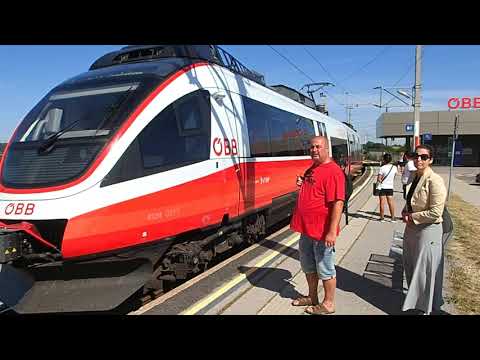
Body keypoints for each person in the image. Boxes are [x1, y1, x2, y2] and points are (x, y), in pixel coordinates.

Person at [290, 136, 345, 315]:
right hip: (307, 229)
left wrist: (331, 232)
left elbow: (338, 202)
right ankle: (312, 297)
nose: (314, 150)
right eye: (312, 147)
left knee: (325, 267)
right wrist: (302, 181)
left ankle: (328, 303)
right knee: (308, 265)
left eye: (318, 147)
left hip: (322, 231)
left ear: (326, 149)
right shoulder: (314, 167)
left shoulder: (333, 171)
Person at [401, 144, 447, 315]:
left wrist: (412, 216)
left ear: (431, 160)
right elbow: (411, 200)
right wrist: (405, 211)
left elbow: (436, 212)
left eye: (424, 157)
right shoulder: (414, 176)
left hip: (428, 230)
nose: (419, 159)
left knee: (424, 271)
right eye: (416, 155)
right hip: (412, 229)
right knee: (411, 265)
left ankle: (425, 308)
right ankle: (417, 303)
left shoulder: (434, 180)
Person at [376, 153, 398, 222]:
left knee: (382, 202)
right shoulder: (394, 168)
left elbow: (379, 179)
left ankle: (382, 218)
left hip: (382, 187)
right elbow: (394, 177)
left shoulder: (382, 168)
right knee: (391, 202)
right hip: (390, 187)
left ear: (384, 160)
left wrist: (380, 180)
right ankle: (393, 218)